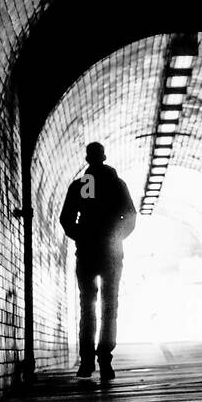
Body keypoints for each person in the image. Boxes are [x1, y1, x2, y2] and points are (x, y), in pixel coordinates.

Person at [60, 142, 136, 380]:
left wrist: (81, 236)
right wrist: (116, 236)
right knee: (109, 306)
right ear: (104, 157)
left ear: (87, 159)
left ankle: (87, 363)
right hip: (111, 253)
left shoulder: (82, 185)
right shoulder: (116, 184)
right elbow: (131, 216)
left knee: (87, 307)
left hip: (87, 252)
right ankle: (105, 360)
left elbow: (66, 219)